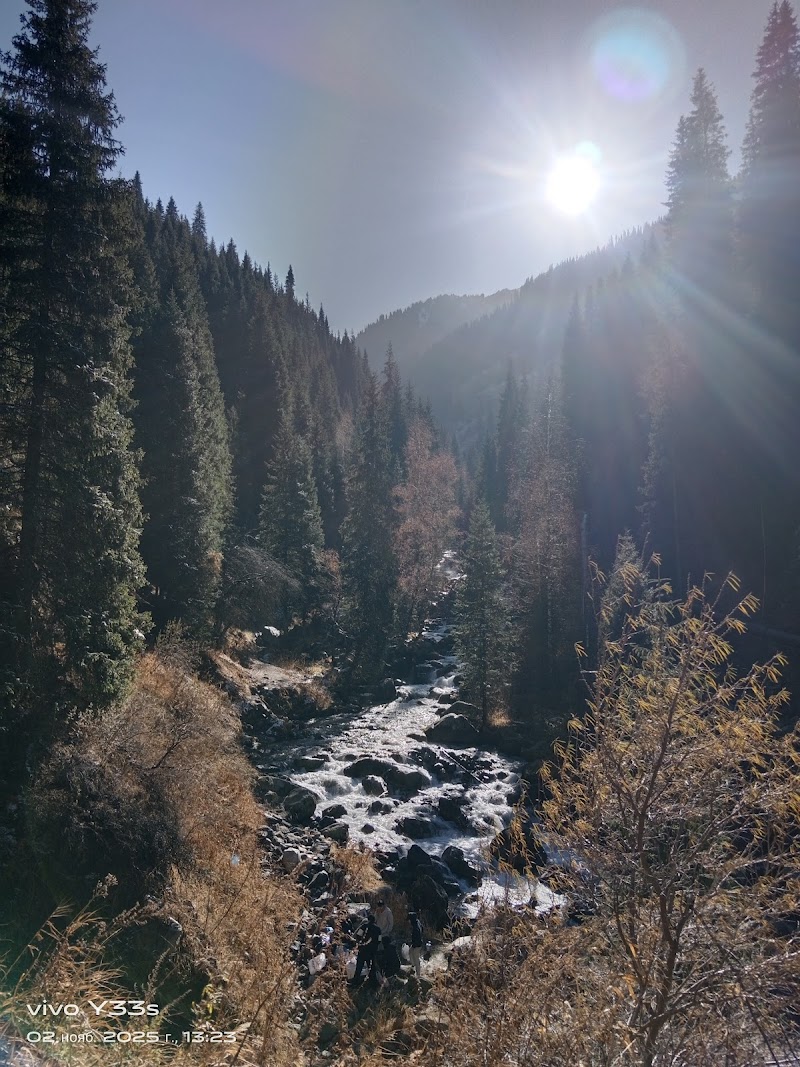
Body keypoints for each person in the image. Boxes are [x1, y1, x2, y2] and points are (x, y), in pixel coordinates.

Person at [350, 912, 381, 988]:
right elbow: (379, 940)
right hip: (372, 951)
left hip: (363, 950)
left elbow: (358, 936)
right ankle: (373, 983)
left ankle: (355, 983)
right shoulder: (378, 929)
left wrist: (360, 944)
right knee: (371, 967)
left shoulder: (364, 926)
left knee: (359, 967)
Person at [408, 910, 423, 978]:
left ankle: (418, 975)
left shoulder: (415, 928)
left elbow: (417, 937)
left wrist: (414, 945)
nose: (408, 921)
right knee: (410, 952)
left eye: (409, 920)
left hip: (417, 945)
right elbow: (422, 928)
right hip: (417, 943)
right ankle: (413, 966)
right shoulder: (418, 922)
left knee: (416, 959)